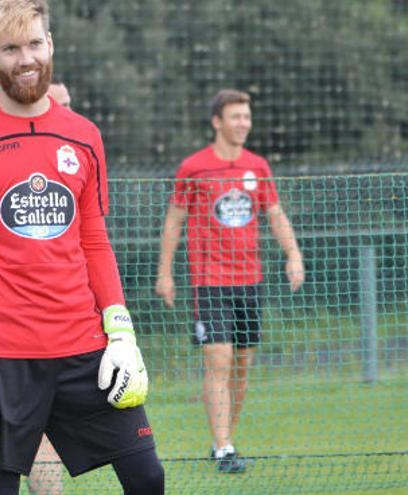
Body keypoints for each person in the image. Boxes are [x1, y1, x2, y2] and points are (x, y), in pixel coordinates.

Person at [0, 2, 165, 494]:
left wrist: (121, 329)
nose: (24, 58)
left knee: (147, 476)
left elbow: (94, 241)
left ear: (50, 44)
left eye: (33, 44)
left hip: (84, 345)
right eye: (10, 48)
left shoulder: (85, 137)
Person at [154, 89, 305, 474]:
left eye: (246, 117)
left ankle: (225, 440)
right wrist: (165, 273)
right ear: (217, 122)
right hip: (210, 282)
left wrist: (293, 254)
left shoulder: (257, 166)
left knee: (242, 364)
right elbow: (174, 221)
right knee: (217, 360)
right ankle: (224, 449)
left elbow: (275, 214)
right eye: (236, 116)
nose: (243, 123)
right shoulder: (194, 167)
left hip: (249, 282)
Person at [0, 79, 72, 495]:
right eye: (54, 102)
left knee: (42, 435)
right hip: (0, 336)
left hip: (62, 333)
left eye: (65, 104)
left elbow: (89, 247)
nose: (57, 110)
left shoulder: (75, 155)